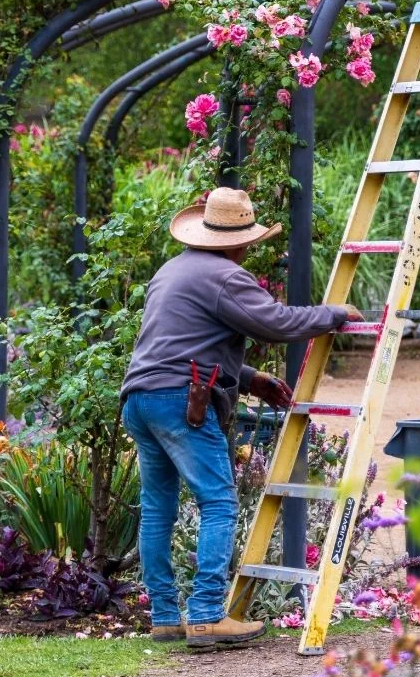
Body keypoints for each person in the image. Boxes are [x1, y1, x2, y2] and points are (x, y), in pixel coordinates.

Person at [121, 187, 362, 649]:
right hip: (179, 400)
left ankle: (166, 617)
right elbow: (277, 323)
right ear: (241, 240)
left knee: (157, 508)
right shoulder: (226, 277)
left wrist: (249, 379)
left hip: (140, 398)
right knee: (218, 501)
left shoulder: (171, 271)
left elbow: (180, 341)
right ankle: (209, 613)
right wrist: (333, 314)